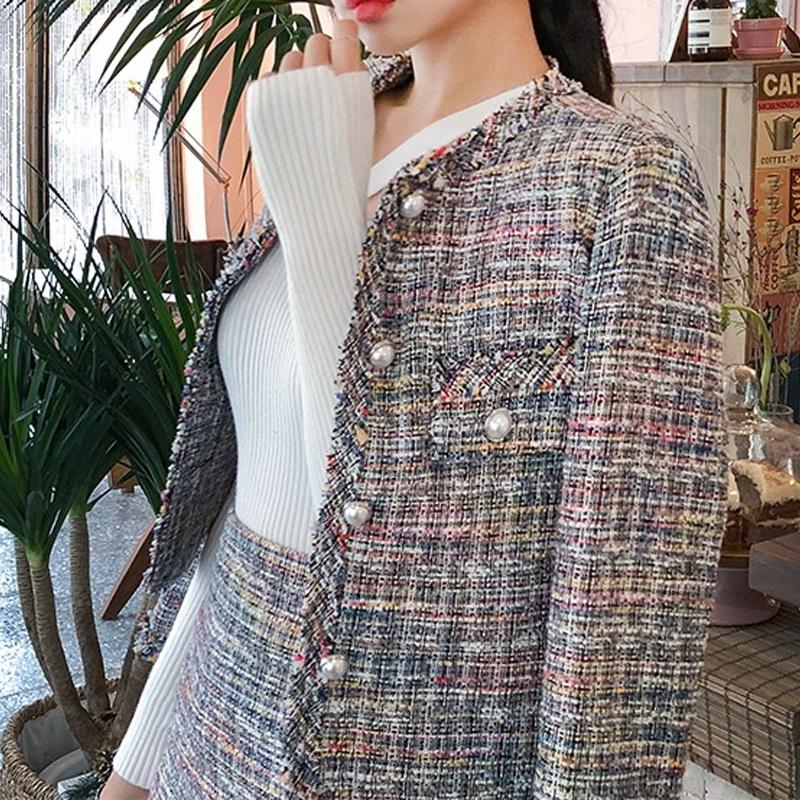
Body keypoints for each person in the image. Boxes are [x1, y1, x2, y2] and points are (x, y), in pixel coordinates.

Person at [102, 1, 728, 798]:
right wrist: (136, 766)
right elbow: (253, 513)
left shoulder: (620, 180)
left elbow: (618, 638)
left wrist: (322, 224)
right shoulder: (335, 112)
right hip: (203, 752)